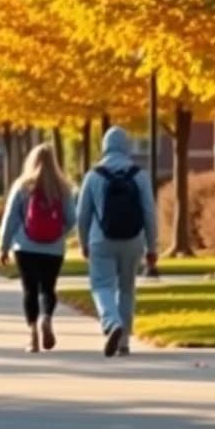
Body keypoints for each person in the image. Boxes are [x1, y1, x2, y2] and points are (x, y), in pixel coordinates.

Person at [77, 125, 158, 358]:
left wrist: (83, 242)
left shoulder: (93, 176)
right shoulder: (140, 176)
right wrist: (152, 247)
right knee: (127, 289)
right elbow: (149, 213)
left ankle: (112, 323)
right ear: (126, 147)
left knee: (102, 285)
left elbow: (82, 215)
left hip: (101, 240)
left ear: (104, 147)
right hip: (133, 241)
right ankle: (123, 342)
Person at [0, 142, 77, 353]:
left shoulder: (22, 185)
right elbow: (72, 219)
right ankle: (47, 318)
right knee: (48, 289)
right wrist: (58, 233)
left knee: (29, 290)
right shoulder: (63, 187)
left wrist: (4, 246)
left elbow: (10, 217)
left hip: (25, 247)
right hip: (53, 249)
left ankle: (33, 336)